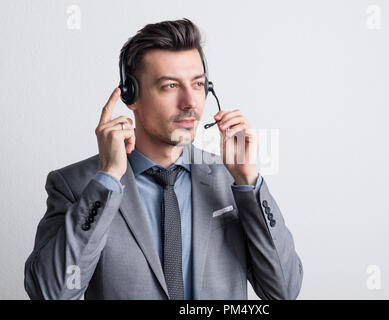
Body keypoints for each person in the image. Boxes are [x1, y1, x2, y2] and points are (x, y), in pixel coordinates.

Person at [24, 18, 303, 300]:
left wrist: (247, 181)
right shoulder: (76, 185)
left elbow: (283, 291)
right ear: (131, 95)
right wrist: (107, 179)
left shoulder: (232, 180)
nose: (190, 103)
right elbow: (51, 294)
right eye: (170, 86)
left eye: (197, 85)